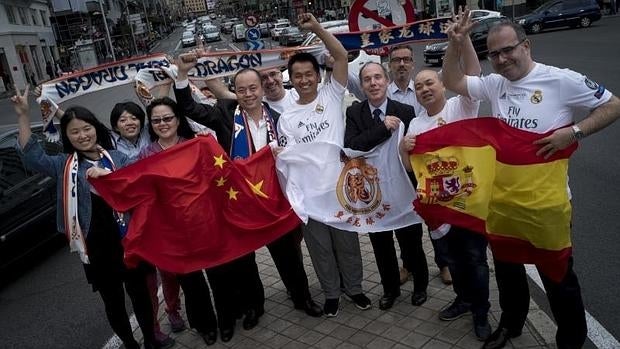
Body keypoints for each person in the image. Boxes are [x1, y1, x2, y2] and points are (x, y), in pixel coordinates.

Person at [441, 12, 620, 349]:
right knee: (508, 271)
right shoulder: (495, 84)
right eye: (494, 54)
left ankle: (570, 339)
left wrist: (575, 131)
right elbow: (453, 81)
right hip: (503, 202)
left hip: (546, 205)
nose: (502, 59)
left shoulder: (561, 79)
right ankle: (511, 324)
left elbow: (612, 105)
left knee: (558, 276)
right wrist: (455, 43)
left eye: (508, 50)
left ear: (526, 45)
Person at [173, 55, 323, 339]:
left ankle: (301, 297)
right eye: (242, 90)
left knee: (289, 255)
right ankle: (255, 307)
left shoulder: (280, 118)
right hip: (240, 203)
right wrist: (182, 74)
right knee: (245, 262)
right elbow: (189, 107)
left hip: (274, 201)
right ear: (235, 92)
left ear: (261, 89)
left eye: (253, 88)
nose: (248, 94)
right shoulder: (225, 115)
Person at [12, 86, 158, 349]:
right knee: (113, 302)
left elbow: (138, 190)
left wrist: (109, 178)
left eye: (86, 128)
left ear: (95, 128)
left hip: (130, 239)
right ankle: (130, 344)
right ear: (67, 136)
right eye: (74, 131)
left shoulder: (117, 157)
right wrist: (23, 115)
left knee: (141, 296)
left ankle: (150, 340)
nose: (82, 135)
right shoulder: (64, 166)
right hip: (97, 248)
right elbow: (32, 157)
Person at [399, 12, 492, 340]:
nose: (424, 89)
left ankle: (482, 312)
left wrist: (461, 39)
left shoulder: (460, 108)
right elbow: (411, 169)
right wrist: (403, 150)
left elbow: (474, 73)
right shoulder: (416, 126)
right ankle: (464, 300)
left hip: (468, 203)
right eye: (419, 86)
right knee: (453, 259)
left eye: (430, 83)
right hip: (439, 208)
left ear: (442, 85)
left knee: (476, 259)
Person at [276, 13, 371, 317]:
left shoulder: (332, 95)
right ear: (291, 78)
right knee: (320, 250)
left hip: (341, 189)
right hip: (311, 196)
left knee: (347, 243)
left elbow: (342, 56)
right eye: (298, 75)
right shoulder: (287, 118)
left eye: (309, 74)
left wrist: (317, 28)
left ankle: (354, 288)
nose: (304, 80)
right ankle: (331, 293)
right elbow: (289, 161)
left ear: (318, 75)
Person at [344, 62, 429, 310]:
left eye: (378, 78)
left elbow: (416, 151)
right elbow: (352, 146)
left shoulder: (404, 110)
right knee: (381, 247)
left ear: (386, 80)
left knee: (411, 242)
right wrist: (382, 129)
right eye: (368, 79)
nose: (373, 83)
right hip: (373, 193)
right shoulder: (354, 113)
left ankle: (420, 285)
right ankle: (390, 290)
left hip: (403, 190)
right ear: (362, 85)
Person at [138, 97, 219, 346]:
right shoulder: (146, 155)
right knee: (192, 283)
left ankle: (226, 318)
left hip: (204, 223)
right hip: (174, 231)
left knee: (217, 275)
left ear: (178, 119)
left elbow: (214, 178)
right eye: (156, 120)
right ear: (150, 125)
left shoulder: (195, 146)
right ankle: (205, 325)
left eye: (167, 118)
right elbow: (139, 189)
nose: (163, 124)